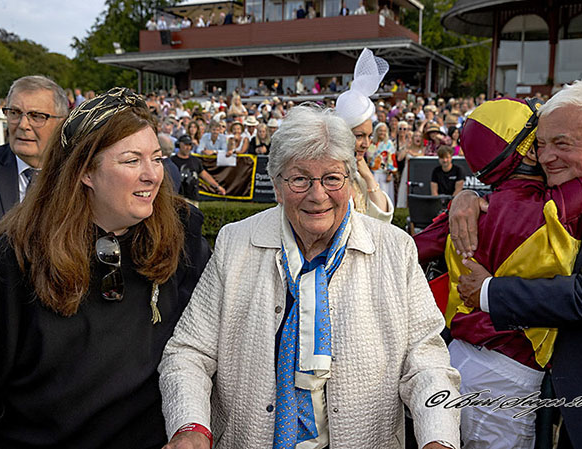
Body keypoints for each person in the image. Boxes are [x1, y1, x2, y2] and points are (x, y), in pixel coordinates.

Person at [158, 105, 460, 449]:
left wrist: (439, 438)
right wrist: (191, 426)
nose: (318, 196)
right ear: (277, 184)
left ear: (350, 180)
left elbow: (427, 364)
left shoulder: (394, 249)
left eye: (332, 178)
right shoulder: (235, 242)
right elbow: (189, 352)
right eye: (300, 178)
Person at [0, 87, 211, 448]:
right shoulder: (19, 254)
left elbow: (201, 348)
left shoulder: (181, 233)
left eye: (156, 158)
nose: (152, 175)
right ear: (85, 172)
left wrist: (191, 425)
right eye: (131, 161)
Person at [415, 95, 582, 449]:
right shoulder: (559, 205)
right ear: (530, 151)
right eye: (540, 141)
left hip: (456, 357)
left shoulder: (463, 214)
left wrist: (467, 197)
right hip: (509, 372)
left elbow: (408, 249)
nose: (548, 152)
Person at [0, 75, 67, 309]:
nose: (23, 125)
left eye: (37, 116)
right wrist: (1, 309)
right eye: (14, 113)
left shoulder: (79, 175)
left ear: (61, 122)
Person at [335, 47, 393, 222]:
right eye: (359, 136)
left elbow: (382, 218)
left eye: (369, 136)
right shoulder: (327, 170)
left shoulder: (359, 171)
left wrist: (368, 176)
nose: (366, 144)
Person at [172, 135, 226, 204]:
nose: (188, 147)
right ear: (179, 144)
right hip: (178, 198)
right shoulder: (172, 161)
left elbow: (204, 175)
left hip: (193, 198)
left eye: (190, 145)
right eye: (185, 144)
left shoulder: (195, 161)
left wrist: (217, 186)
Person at [367, 122, 397, 204]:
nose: (382, 133)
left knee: (384, 194)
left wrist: (390, 173)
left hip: (384, 173)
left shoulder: (389, 144)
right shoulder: (371, 143)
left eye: (384, 131)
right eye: (380, 130)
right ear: (376, 131)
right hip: (372, 173)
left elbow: (392, 159)